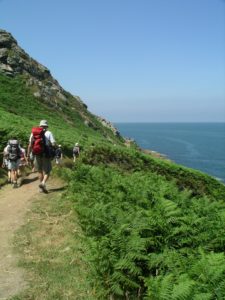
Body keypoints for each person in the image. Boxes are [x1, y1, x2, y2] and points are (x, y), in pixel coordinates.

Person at [27, 120, 56, 193]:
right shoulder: (49, 133)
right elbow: (53, 144)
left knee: (39, 170)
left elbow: (30, 145)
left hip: (36, 154)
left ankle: (40, 188)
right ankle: (43, 183)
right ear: (46, 126)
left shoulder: (33, 133)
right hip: (45, 154)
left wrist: (28, 154)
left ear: (40, 125)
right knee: (47, 171)